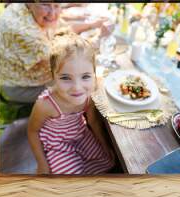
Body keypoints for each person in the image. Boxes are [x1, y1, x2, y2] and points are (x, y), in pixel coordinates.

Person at [27, 31, 115, 175]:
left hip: (80, 134)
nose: (77, 88)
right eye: (66, 78)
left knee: (107, 161)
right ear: (53, 76)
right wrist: (42, 163)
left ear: (94, 74)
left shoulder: (90, 94)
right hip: (57, 145)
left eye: (85, 76)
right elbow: (32, 131)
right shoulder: (45, 105)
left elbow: (92, 121)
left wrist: (104, 145)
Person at [0, 3, 110, 104]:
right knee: (85, 89)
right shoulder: (23, 30)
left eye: (56, 5)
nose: (53, 13)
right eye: (45, 4)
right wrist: (99, 37)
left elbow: (63, 28)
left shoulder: (29, 10)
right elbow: (69, 58)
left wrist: (94, 24)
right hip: (21, 87)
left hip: (38, 73)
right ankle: (47, 120)